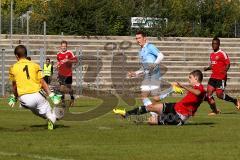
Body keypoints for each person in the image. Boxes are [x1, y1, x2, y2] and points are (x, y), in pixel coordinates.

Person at [113, 70, 205, 126]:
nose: (189, 79)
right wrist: (215, 109)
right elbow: (210, 100)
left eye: (190, 77)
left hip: (178, 117)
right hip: (175, 106)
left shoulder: (200, 88)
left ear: (196, 79)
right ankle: (126, 114)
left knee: (151, 121)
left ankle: (158, 117)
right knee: (151, 107)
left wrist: (183, 86)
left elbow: (198, 93)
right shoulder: (196, 89)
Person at [127, 31, 182, 116]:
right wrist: (135, 73)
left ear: (145, 38)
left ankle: (171, 89)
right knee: (145, 96)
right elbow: (144, 67)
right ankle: (154, 113)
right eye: (136, 38)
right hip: (147, 76)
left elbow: (161, 56)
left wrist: (153, 65)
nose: (137, 40)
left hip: (154, 75)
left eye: (139, 38)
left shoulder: (150, 46)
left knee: (155, 98)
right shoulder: (140, 51)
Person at [8, 45, 62, 130]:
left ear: (16, 56)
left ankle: (51, 117)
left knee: (35, 110)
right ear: (26, 54)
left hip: (24, 98)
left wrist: (14, 97)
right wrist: (51, 95)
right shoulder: (35, 65)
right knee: (46, 111)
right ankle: (54, 116)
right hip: (38, 95)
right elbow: (42, 82)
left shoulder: (13, 68)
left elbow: (14, 86)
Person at [204, 37, 240, 115]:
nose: (214, 45)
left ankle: (235, 101)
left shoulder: (222, 53)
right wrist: (207, 68)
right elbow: (213, 65)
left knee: (219, 95)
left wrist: (225, 71)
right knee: (208, 94)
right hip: (213, 77)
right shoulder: (212, 54)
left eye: (215, 44)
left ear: (219, 44)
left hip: (221, 77)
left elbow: (228, 63)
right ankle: (215, 110)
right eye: (212, 44)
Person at [57, 40, 78, 107]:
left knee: (69, 88)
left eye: (65, 46)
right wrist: (58, 65)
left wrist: (69, 60)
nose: (63, 47)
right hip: (61, 74)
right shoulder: (58, 54)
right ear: (61, 46)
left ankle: (72, 98)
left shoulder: (69, 53)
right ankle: (63, 102)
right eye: (62, 46)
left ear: (66, 46)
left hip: (68, 74)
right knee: (61, 89)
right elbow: (59, 62)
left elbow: (76, 60)